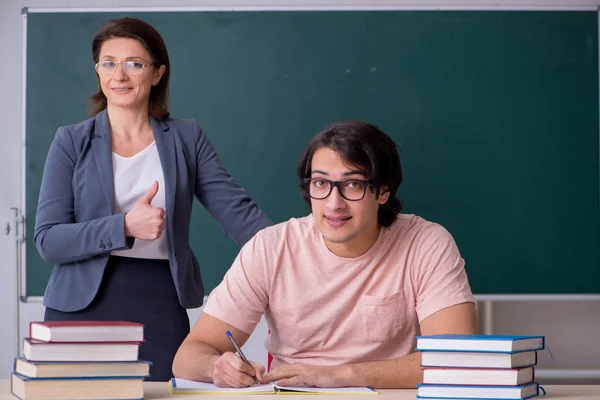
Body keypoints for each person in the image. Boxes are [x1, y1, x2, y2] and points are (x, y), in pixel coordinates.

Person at [33, 17, 271, 382]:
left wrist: (295, 252)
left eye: (135, 64)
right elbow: (48, 240)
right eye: (108, 63)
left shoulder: (186, 137)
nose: (120, 75)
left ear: (157, 73)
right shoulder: (71, 141)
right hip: (79, 306)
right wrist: (124, 226)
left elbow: (237, 212)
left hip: (159, 298)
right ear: (98, 71)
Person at [172, 120, 478, 388]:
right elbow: (188, 356)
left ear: (383, 191)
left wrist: (338, 375)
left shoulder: (425, 244)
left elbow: (454, 359)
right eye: (320, 183)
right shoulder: (271, 248)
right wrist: (216, 367)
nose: (334, 203)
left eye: (353, 184)